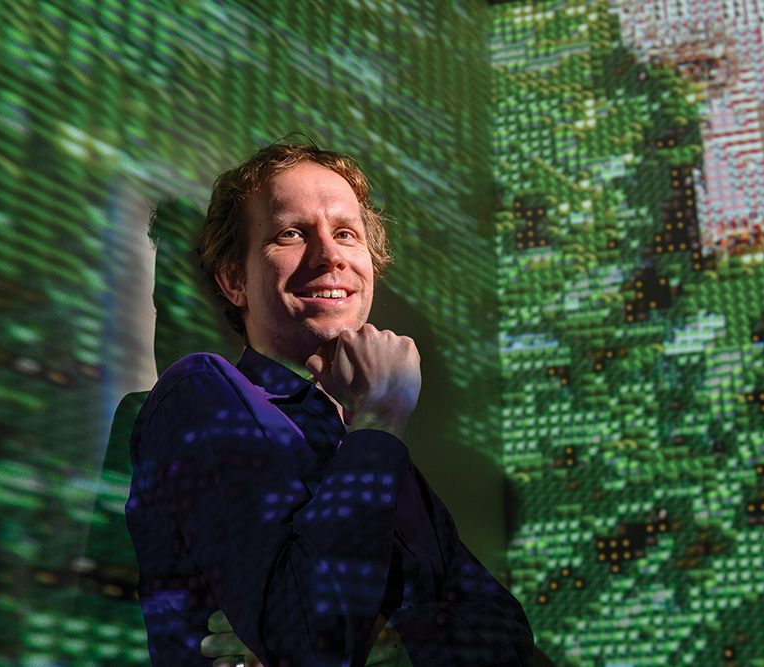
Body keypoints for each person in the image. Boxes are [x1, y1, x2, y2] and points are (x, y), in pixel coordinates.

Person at [125, 139, 534, 666]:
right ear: (233, 280)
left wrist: (394, 646)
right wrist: (381, 419)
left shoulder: (377, 452)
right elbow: (310, 640)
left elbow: (511, 637)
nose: (330, 255)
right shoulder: (200, 393)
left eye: (345, 233)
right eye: (290, 233)